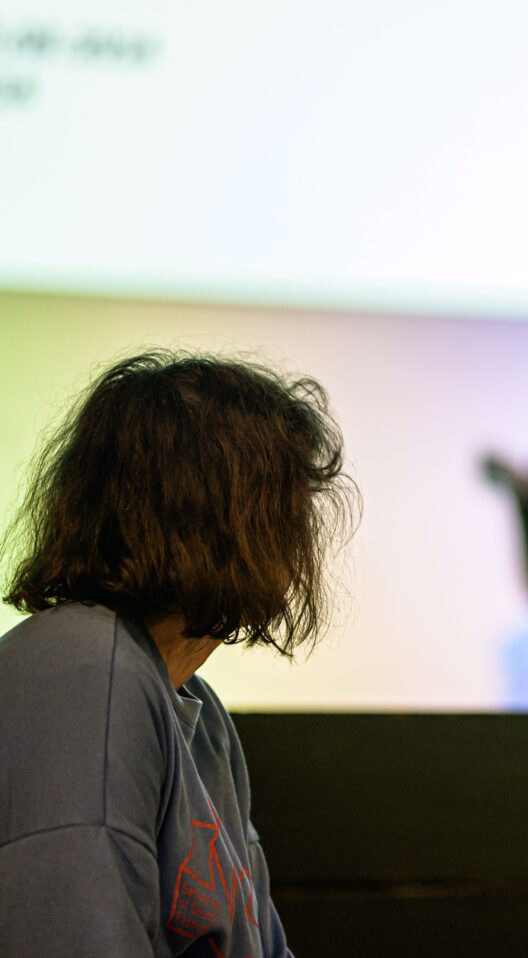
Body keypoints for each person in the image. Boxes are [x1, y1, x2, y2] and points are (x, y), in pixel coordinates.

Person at [0, 352, 355, 955]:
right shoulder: (83, 673)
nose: (302, 533)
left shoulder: (197, 711)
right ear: (213, 513)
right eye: (283, 502)